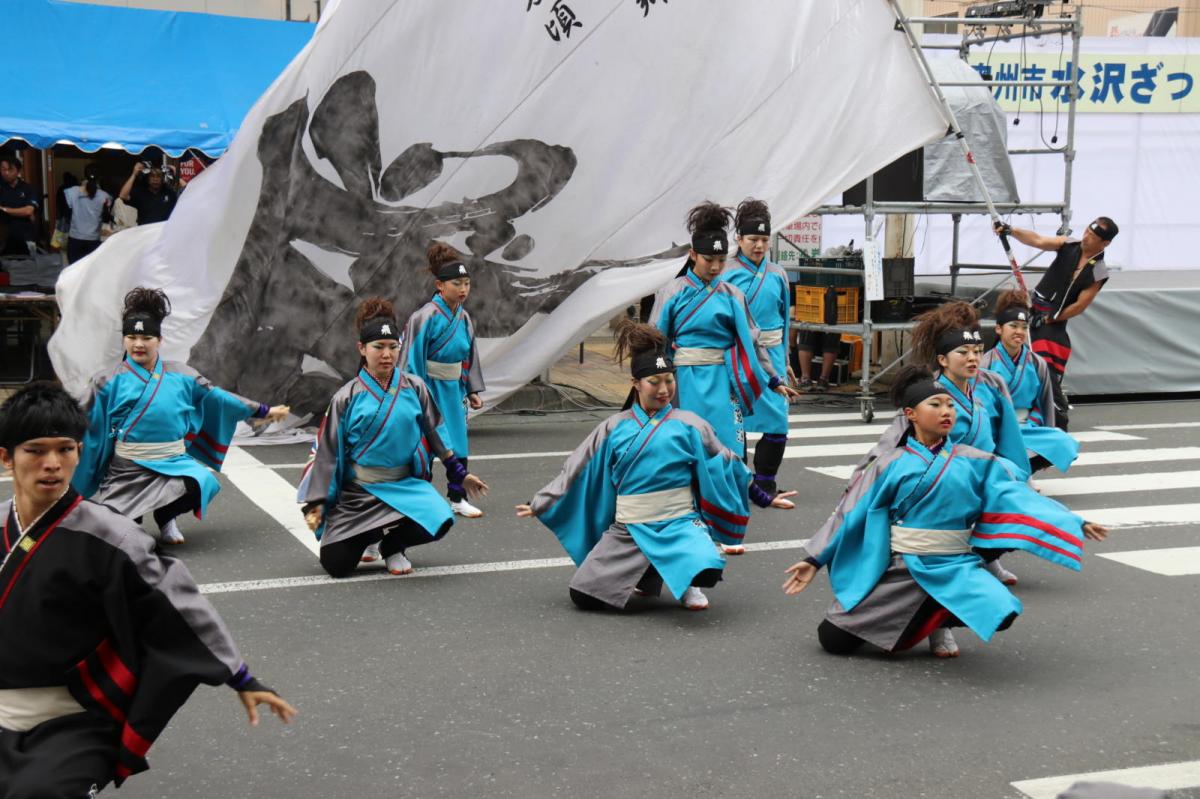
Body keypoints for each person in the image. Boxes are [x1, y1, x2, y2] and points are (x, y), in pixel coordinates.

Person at [0, 382, 296, 796]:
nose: (52, 463)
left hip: (72, 717)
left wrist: (241, 677)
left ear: (79, 453)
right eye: (35, 450)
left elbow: (178, 604)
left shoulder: (111, 535)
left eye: (65, 449)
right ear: (7, 458)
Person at [781, 366, 1107, 658]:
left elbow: (1017, 496)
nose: (946, 411)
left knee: (1002, 611)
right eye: (935, 405)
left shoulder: (976, 461)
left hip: (953, 564)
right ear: (911, 414)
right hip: (900, 565)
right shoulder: (889, 464)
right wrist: (815, 559)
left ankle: (938, 616)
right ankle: (918, 618)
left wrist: (1072, 521)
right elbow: (850, 513)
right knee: (833, 641)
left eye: (950, 405)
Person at [517, 321, 795, 612]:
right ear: (635, 384)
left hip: (679, 524)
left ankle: (688, 582)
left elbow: (729, 464)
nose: (664, 390)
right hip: (629, 528)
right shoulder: (613, 428)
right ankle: (650, 572)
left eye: (670, 380)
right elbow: (576, 469)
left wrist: (764, 495)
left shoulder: (691, 424)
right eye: (655, 382)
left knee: (708, 567)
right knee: (583, 596)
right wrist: (540, 502)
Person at [73, 288, 290, 545]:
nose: (138, 344)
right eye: (131, 337)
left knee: (201, 483)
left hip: (171, 461)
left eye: (147, 338)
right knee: (125, 534)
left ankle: (167, 516)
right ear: (124, 340)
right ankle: (136, 517)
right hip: (126, 469)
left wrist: (262, 410)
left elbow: (217, 397)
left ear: (160, 340)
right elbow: (78, 413)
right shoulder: (107, 380)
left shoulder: (181, 374)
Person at [298, 297, 488, 577]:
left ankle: (393, 544)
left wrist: (459, 472)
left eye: (392, 347)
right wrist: (317, 502)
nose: (386, 354)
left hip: (403, 485)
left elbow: (437, 433)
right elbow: (328, 453)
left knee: (441, 519)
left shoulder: (416, 387)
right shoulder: (345, 397)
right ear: (362, 349)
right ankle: (368, 534)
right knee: (336, 566)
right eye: (378, 347)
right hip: (359, 493)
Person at [649, 201, 798, 553]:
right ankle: (684, 522)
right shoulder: (672, 292)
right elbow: (655, 341)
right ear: (692, 255)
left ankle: (729, 517)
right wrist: (655, 381)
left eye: (719, 260)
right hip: (683, 379)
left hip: (724, 378)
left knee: (728, 448)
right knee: (686, 450)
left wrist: (774, 377)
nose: (715, 267)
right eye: (708, 260)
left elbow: (752, 339)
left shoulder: (733, 294)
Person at [857, 301, 1030, 585]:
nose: (973, 358)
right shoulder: (928, 391)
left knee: (1015, 505)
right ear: (943, 359)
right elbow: (895, 436)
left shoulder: (992, 383)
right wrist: (864, 474)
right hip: (943, 478)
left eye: (977, 351)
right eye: (963, 352)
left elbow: (1008, 435)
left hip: (984, 470)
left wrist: (1017, 475)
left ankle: (989, 558)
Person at [994, 217, 1117, 431]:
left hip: (1055, 318)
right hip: (1033, 306)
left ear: (1105, 243)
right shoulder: (1068, 244)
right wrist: (1011, 231)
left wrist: (1051, 318)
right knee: (1005, 348)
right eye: (1087, 230)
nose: (1086, 237)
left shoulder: (1099, 270)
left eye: (1094, 237)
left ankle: (1057, 413)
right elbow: (1039, 240)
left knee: (1044, 366)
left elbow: (1080, 305)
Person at [400, 242, 487, 518]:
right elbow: (412, 356)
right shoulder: (424, 316)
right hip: (428, 389)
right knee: (425, 444)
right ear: (440, 285)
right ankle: (418, 496)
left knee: (457, 442)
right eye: (456, 283)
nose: (463, 289)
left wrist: (471, 388)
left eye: (467, 283)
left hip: (453, 388)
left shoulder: (464, 318)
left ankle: (457, 497)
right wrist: (414, 393)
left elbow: (468, 354)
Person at [721, 199, 794, 498]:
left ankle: (766, 481)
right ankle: (739, 482)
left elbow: (785, 320)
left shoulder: (778, 274)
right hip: (738, 355)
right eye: (753, 239)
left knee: (778, 420)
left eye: (765, 240)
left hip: (773, 354)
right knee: (734, 420)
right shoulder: (725, 272)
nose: (760, 246)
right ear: (739, 239)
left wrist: (786, 359)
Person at [980, 289, 1080, 474]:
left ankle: (1024, 472)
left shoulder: (1036, 363)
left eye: (1024, 327)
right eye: (1013, 326)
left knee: (1062, 441)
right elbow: (982, 408)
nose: (1019, 331)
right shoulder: (986, 363)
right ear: (999, 329)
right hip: (999, 428)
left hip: (1028, 426)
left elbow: (1045, 403)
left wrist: (1041, 426)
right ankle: (1011, 473)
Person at [62, 165, 112, 264]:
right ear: (100, 177)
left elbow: (66, 211)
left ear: (84, 175)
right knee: (91, 273)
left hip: (75, 239)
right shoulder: (105, 196)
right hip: (93, 240)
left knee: (74, 271)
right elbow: (106, 217)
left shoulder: (72, 191)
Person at [0, 154, 39, 256]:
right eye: (3, 169)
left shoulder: (28, 188)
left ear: (18, 171)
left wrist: (4, 209)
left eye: (10, 169)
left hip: (26, 237)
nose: (6, 173)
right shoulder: (1, 188)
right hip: (5, 239)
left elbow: (28, 211)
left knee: (27, 267)